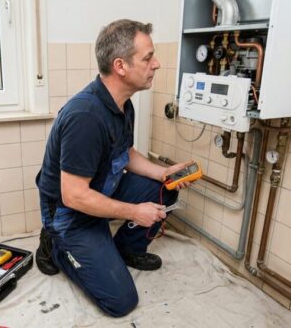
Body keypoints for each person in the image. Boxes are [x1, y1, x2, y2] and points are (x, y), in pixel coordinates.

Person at [35, 19, 190, 317]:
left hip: (105, 186)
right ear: (120, 66)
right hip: (70, 215)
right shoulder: (86, 118)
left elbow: (125, 152)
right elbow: (74, 197)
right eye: (147, 58)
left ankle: (125, 249)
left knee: (164, 189)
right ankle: (54, 245)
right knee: (121, 303)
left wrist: (162, 173)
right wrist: (134, 212)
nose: (156, 64)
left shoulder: (122, 103)